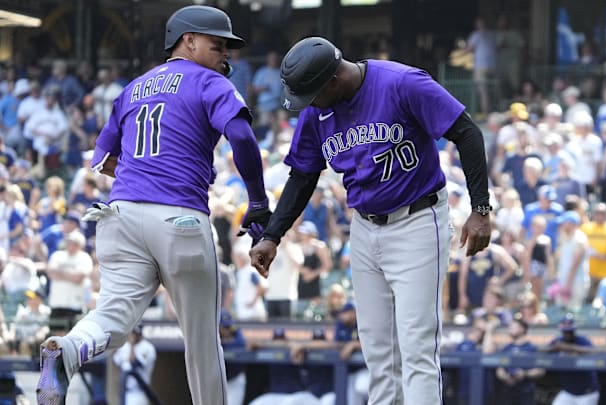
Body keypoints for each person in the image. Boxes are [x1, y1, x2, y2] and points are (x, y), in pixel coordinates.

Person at [35, 5, 270, 405]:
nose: (226, 54)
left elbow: (102, 159)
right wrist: (259, 201)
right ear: (188, 40)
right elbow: (244, 139)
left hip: (120, 216)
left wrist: (147, 172)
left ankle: (68, 351)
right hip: (179, 217)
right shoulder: (207, 82)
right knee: (202, 343)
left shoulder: (132, 88)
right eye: (218, 44)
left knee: (110, 319)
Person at [249, 36, 492, 405]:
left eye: (310, 95)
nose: (307, 106)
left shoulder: (402, 83)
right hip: (363, 227)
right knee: (378, 351)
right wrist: (272, 234)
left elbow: (467, 132)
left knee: (416, 346)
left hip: (417, 220)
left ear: (332, 79)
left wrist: (481, 208)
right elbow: (302, 175)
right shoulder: (317, 111)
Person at [543, 314, 600, 405]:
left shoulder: (582, 340)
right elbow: (542, 350)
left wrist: (569, 347)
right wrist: (554, 348)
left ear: (574, 330)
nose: (568, 334)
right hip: (568, 392)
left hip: (587, 392)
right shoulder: (558, 341)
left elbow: (594, 351)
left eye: (570, 331)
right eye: (565, 332)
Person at [495, 316, 545, 405]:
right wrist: (505, 377)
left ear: (523, 329)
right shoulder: (506, 348)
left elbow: (540, 370)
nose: (510, 329)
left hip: (526, 390)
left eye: (514, 326)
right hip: (508, 390)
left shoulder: (532, 348)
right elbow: (500, 369)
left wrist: (525, 374)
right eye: (509, 327)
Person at [112, 323, 157, 405]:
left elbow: (134, 363)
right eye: (131, 332)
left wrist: (132, 345)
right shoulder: (125, 346)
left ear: (139, 334)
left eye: (134, 333)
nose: (132, 335)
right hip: (125, 390)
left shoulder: (148, 348)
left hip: (139, 392)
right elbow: (116, 362)